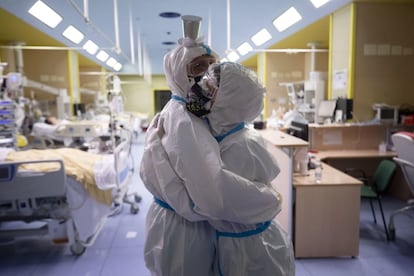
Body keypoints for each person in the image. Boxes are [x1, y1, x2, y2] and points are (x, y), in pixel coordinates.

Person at [140, 17, 281, 276]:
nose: (207, 75)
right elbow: (213, 195)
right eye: (197, 67)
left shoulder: (194, 114)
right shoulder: (184, 120)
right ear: (178, 72)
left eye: (211, 66)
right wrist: (269, 200)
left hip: (186, 226)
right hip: (183, 230)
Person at [191, 62, 295, 275]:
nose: (200, 88)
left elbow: (220, 201)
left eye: (209, 86)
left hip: (253, 252)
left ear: (228, 101)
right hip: (239, 244)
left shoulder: (241, 145)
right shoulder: (227, 135)